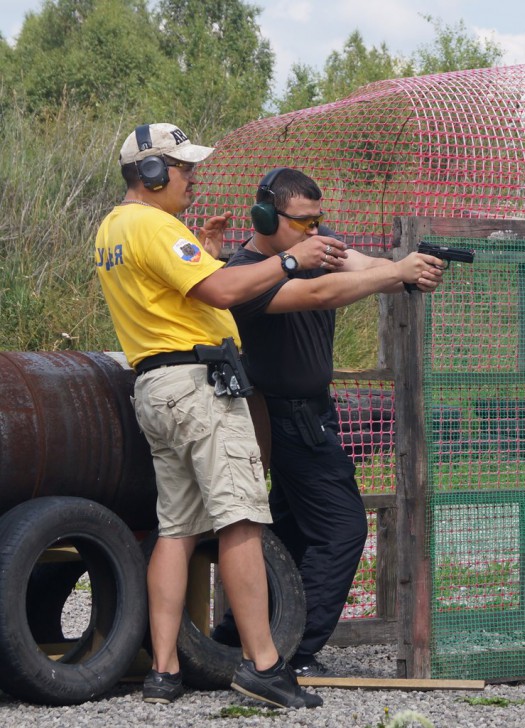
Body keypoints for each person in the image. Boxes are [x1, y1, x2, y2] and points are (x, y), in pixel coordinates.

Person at [94, 125, 347, 709]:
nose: (191, 177)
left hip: (156, 387)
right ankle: (263, 667)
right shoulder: (153, 225)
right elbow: (225, 292)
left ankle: (163, 672)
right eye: (183, 168)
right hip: (198, 387)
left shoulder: (112, 228)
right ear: (153, 174)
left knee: (178, 529)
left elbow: (180, 289)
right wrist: (290, 260)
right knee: (241, 519)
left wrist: (204, 256)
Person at [214, 167, 445, 677]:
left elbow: (362, 264)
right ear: (266, 217)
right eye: (302, 222)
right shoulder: (246, 272)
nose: (314, 231)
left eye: (320, 220)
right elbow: (321, 294)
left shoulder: (315, 247)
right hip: (285, 417)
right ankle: (295, 648)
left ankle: (234, 637)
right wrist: (396, 273)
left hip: (312, 412)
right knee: (342, 529)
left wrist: (409, 267)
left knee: (291, 532)